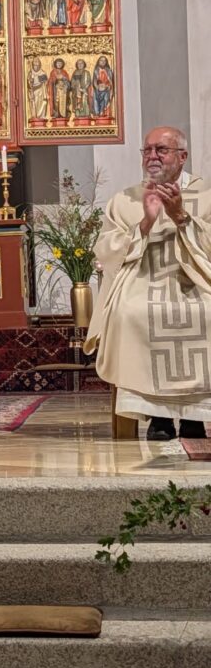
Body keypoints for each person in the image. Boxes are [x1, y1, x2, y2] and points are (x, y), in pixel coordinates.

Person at [85, 127, 210, 440]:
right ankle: (158, 418)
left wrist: (181, 217)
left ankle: (194, 420)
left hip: (194, 281)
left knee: (205, 313)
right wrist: (144, 223)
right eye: (147, 150)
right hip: (142, 279)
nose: (152, 156)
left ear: (182, 157)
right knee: (130, 313)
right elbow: (105, 251)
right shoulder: (126, 200)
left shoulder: (205, 195)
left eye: (161, 150)